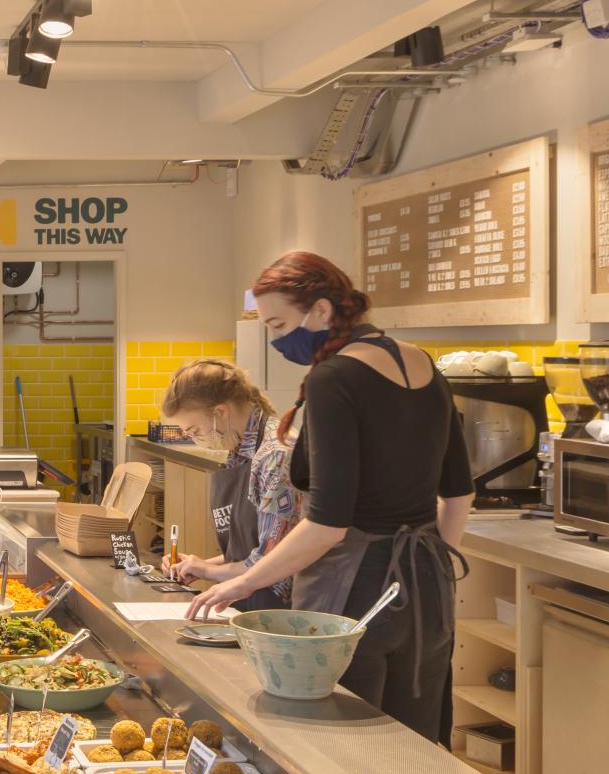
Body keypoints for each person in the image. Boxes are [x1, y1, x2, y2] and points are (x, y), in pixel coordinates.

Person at [188, 252, 474, 746]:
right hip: (427, 591)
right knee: (418, 748)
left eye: (279, 323)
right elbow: (458, 492)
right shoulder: (423, 364)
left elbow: (327, 525)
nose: (276, 339)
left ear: (320, 311)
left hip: (351, 596)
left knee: (344, 749)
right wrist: (437, 571)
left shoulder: (333, 378)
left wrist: (239, 585)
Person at [159, 359, 301, 612]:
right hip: (249, 595)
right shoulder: (238, 449)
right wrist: (200, 565)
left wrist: (209, 571)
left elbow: (271, 560)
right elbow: (249, 547)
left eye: (194, 430)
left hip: (279, 607)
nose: (195, 439)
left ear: (221, 412)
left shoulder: (275, 454)